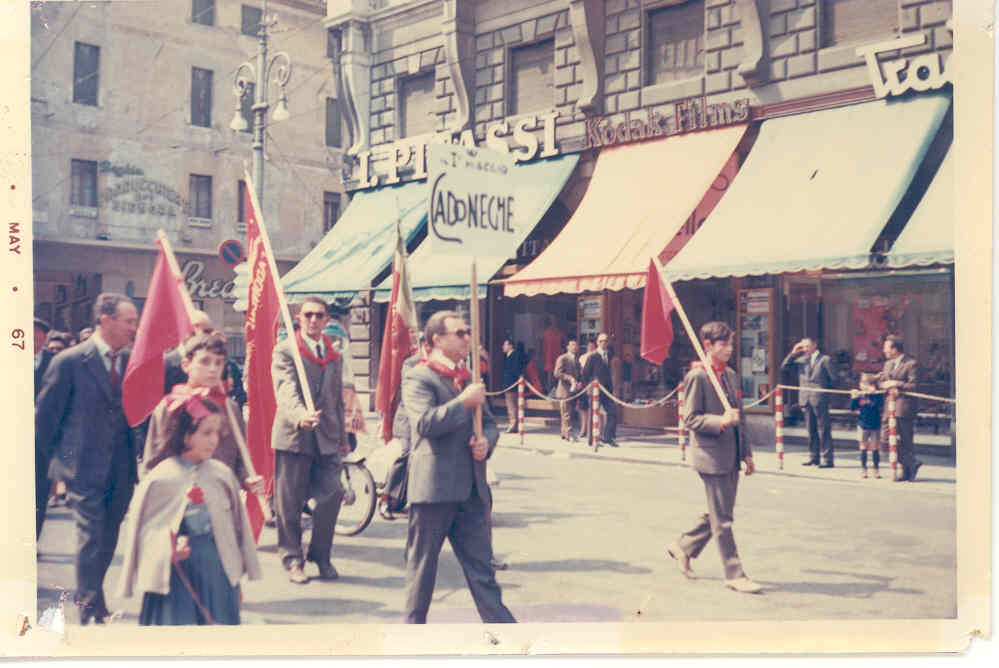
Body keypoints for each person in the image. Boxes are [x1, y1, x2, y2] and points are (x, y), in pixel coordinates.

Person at [401, 310, 515, 623]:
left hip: (471, 489)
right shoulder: (419, 376)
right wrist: (462, 402)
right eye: (460, 333)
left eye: (468, 332)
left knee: (482, 570)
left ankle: (506, 632)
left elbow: (489, 424)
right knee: (422, 569)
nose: (468, 338)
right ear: (437, 339)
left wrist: (486, 442)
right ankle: (412, 631)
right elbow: (425, 424)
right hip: (434, 489)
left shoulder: (468, 377)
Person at [35, 293, 140, 623]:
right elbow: (45, 420)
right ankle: (88, 608)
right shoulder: (69, 361)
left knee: (108, 537)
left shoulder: (131, 361)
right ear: (105, 321)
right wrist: (57, 467)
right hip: (81, 469)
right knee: (90, 537)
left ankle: (95, 598)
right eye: (129, 321)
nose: (134, 328)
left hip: (121, 469)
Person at [118, 396, 261, 625]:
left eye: (217, 433)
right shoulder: (160, 478)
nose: (214, 440)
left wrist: (237, 580)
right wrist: (167, 547)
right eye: (206, 433)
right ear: (185, 434)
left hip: (216, 570)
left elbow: (237, 528)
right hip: (173, 576)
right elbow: (143, 533)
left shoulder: (221, 475)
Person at [666, 321, 761, 594]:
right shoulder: (698, 376)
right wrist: (720, 421)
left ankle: (683, 546)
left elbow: (740, 417)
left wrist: (747, 453)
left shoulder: (730, 375)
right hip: (711, 456)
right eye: (723, 344)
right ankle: (734, 574)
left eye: (731, 344)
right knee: (723, 520)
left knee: (721, 513)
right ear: (708, 345)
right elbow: (690, 418)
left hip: (732, 454)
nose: (729, 349)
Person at [271, 296, 349, 584]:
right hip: (295, 436)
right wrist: (299, 415)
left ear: (326, 319)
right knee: (289, 503)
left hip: (327, 437)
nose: (313, 320)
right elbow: (285, 389)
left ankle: (320, 554)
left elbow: (336, 399)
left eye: (319, 315)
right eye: (308, 315)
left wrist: (343, 437)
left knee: (333, 493)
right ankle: (293, 559)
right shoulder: (285, 351)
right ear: (299, 319)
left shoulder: (334, 354)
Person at [141, 331, 265, 495]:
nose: (213, 369)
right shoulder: (170, 406)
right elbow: (152, 463)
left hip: (220, 493)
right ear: (186, 365)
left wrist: (247, 479)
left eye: (218, 363)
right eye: (205, 362)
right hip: (179, 496)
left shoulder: (230, 408)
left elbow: (240, 458)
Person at [781, 337, 836, 467]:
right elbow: (784, 367)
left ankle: (828, 459)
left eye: (807, 346)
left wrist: (824, 392)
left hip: (820, 399)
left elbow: (834, 378)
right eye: (803, 347)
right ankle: (814, 457)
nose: (805, 349)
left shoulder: (825, 359)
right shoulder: (801, 360)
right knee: (811, 430)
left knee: (824, 429)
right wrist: (793, 352)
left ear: (815, 345)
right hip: (806, 399)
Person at [877, 335, 922, 482]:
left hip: (904, 407)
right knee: (884, 440)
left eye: (886, 348)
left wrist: (897, 384)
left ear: (895, 349)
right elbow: (882, 382)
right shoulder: (887, 364)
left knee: (906, 440)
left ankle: (907, 472)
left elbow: (914, 385)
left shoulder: (911, 363)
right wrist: (884, 385)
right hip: (889, 406)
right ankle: (912, 462)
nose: (884, 351)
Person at [581, 332, 618, 447]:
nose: (604, 343)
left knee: (613, 412)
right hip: (596, 390)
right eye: (601, 341)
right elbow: (585, 373)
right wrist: (591, 385)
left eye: (606, 341)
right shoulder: (593, 356)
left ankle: (607, 438)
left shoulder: (609, 354)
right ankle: (592, 439)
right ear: (597, 342)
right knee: (594, 414)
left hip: (607, 390)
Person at [850, 373, 884, 479]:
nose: (862, 385)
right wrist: (853, 398)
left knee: (875, 447)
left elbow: (880, 405)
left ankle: (876, 469)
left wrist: (874, 393)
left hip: (875, 424)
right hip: (862, 424)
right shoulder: (860, 395)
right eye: (861, 383)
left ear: (872, 385)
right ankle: (863, 469)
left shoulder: (877, 394)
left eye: (865, 383)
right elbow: (852, 408)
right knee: (863, 447)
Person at [553, 340, 582, 441]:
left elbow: (578, 374)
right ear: (567, 347)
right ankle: (569, 434)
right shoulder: (563, 358)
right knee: (566, 414)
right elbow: (557, 373)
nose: (575, 347)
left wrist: (579, 382)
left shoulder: (577, 360)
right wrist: (569, 378)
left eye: (576, 345)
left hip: (573, 390)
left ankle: (564, 433)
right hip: (564, 390)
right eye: (572, 345)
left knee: (569, 413)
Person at [500, 338, 522, 433]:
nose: (503, 347)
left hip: (512, 384)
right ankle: (513, 424)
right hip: (508, 384)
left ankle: (513, 425)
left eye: (505, 345)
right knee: (511, 405)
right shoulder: (507, 356)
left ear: (510, 346)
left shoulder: (515, 355)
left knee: (512, 405)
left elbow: (515, 370)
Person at [542, 317, 566, 392]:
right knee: (549, 375)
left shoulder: (560, 332)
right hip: (549, 356)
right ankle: (550, 391)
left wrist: (563, 353)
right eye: (552, 321)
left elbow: (564, 343)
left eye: (555, 321)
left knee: (557, 374)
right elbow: (544, 346)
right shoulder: (546, 332)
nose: (554, 323)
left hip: (558, 356)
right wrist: (543, 356)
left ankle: (556, 391)